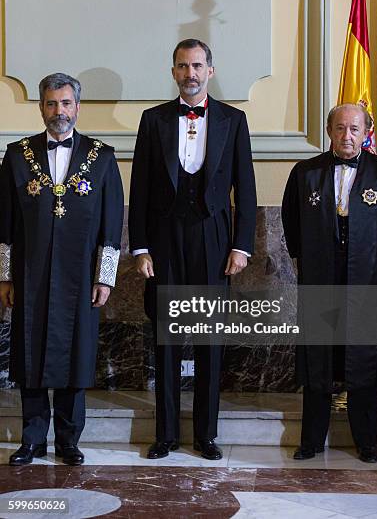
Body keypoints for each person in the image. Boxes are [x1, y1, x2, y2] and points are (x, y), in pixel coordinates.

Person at [128, 39, 256, 460]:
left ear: (211, 71)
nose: (190, 74)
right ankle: (166, 434)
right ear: (173, 72)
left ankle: (206, 435)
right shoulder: (153, 120)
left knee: (209, 340)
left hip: (214, 241)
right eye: (183, 66)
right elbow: (141, 189)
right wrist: (141, 247)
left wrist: (241, 245)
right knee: (166, 338)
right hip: (164, 243)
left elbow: (247, 191)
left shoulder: (234, 120)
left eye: (197, 65)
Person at [0, 73, 124, 466]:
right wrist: (5, 275)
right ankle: (32, 439)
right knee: (30, 354)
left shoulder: (102, 156)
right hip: (30, 274)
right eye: (52, 104)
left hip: (80, 277)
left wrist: (105, 277)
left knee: (77, 356)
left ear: (78, 107)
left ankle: (69, 440)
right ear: (40, 107)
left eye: (66, 103)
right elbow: (4, 223)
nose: (59, 112)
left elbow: (111, 222)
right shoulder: (17, 155)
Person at [282, 102, 377, 463]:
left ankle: (366, 441)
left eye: (354, 129)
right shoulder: (305, 173)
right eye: (339, 128)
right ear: (329, 131)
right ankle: (311, 440)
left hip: (367, 280)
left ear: (367, 131)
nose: (346, 136)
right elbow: (291, 223)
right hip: (320, 278)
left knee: (364, 355)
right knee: (319, 355)